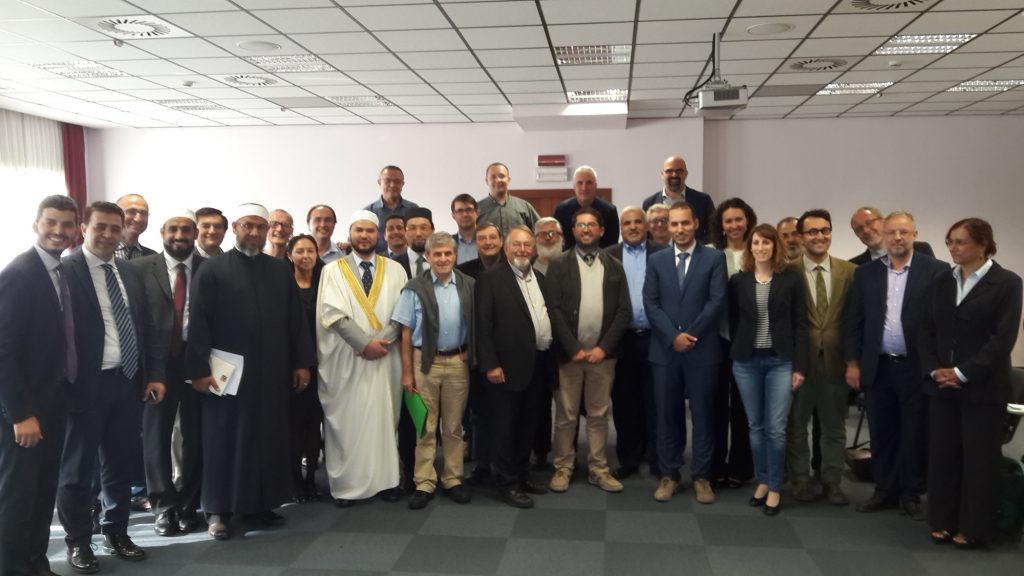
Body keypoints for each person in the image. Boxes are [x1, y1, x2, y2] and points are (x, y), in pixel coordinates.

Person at [185, 203, 314, 540]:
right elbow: (198, 323)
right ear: (235, 229)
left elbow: (295, 321)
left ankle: (261, 504)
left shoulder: (279, 270)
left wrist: (301, 362)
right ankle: (218, 510)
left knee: (267, 436)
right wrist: (198, 370)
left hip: (272, 372)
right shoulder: (212, 270)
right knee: (223, 439)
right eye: (248, 226)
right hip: (226, 376)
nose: (254, 233)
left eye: (260, 227)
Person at [58, 201, 165, 572]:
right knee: (77, 472)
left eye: (114, 228)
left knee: (119, 465)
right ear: (83, 228)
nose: (107, 234)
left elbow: (147, 325)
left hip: (128, 380)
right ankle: (78, 541)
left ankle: (116, 531)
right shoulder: (65, 270)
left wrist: (154, 374)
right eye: (100, 226)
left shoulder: (130, 271)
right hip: (84, 386)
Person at [920, 218, 1022, 548]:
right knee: (943, 456)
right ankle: (943, 520)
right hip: (942, 384)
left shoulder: (1006, 283)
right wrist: (935, 369)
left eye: (960, 241)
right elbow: (925, 330)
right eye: (950, 241)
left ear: (983, 244)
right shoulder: (941, 281)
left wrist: (963, 372)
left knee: (979, 460)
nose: (953, 248)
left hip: (983, 387)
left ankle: (974, 527)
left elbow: (1002, 339)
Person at [844, 212, 948, 521]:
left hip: (916, 367)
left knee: (914, 432)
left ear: (915, 233)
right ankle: (884, 490)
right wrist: (853, 362)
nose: (898, 238)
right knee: (882, 432)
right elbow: (854, 321)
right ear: (884, 235)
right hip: (878, 367)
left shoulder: (937, 271)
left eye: (904, 232)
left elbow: (943, 324)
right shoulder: (866, 274)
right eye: (892, 232)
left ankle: (911, 493)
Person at [0, 195, 78, 576]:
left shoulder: (59, 271)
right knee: (18, 497)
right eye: (51, 222)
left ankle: (35, 564)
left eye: (66, 224)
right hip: (25, 412)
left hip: (52, 402)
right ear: (36, 224)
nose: (58, 231)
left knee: (42, 492)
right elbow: (3, 350)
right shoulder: (20, 273)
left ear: (76, 229)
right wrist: (21, 413)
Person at [316, 210, 408, 507]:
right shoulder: (332, 270)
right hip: (347, 357)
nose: (364, 235)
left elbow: (403, 312)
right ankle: (347, 485)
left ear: (377, 234)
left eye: (370, 230)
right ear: (350, 233)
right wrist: (364, 344)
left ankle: (387, 481)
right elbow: (332, 313)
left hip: (385, 356)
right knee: (349, 421)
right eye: (359, 230)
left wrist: (383, 342)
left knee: (384, 418)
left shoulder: (396, 269)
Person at [643, 202, 727, 504]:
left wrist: (689, 335)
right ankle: (669, 474)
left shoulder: (714, 258)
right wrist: (673, 336)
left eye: (684, 223)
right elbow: (650, 302)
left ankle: (702, 476)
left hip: (702, 350)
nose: (679, 229)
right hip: (665, 352)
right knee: (668, 415)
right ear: (668, 226)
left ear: (696, 224)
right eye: (674, 224)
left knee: (703, 415)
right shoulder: (657, 260)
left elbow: (716, 301)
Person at [545, 207, 631, 493]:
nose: (586, 229)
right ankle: (563, 467)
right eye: (580, 225)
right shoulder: (559, 264)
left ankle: (598, 468)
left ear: (601, 230)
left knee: (598, 414)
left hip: (601, 358)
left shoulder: (614, 266)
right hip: (569, 356)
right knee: (566, 416)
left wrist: (603, 349)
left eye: (591, 225)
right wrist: (573, 348)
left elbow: (624, 311)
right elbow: (553, 309)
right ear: (573, 231)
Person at [728, 224, 808, 516]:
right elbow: (733, 320)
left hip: (780, 362)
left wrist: (799, 366)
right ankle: (762, 480)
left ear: (776, 246)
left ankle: (774, 486)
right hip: (746, 362)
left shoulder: (791, 279)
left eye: (766, 242)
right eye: (756, 243)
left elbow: (800, 324)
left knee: (775, 428)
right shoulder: (739, 281)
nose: (760, 247)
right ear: (749, 247)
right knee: (755, 427)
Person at [134, 210, 205, 537]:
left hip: (196, 364)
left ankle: (189, 506)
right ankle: (164, 507)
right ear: (162, 231)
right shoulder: (139, 268)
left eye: (186, 229)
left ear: (195, 234)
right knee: (156, 437)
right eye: (173, 229)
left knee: (195, 436)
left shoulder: (208, 269)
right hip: (155, 366)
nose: (180, 235)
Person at [393, 232, 474, 510]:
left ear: (455, 256)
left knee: (453, 426)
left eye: (447, 253)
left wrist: (469, 351)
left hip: (457, 363)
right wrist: (407, 372)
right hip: (423, 362)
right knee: (425, 426)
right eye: (437, 254)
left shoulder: (468, 285)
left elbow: (476, 322)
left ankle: (453, 478)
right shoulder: (413, 288)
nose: (442, 258)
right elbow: (405, 332)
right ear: (427, 257)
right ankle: (424, 481)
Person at [475, 226, 554, 508]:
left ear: (534, 250)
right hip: (505, 368)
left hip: (537, 363)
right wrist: (491, 364)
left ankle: (522, 474)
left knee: (527, 425)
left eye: (526, 245)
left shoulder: (539, 278)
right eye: (516, 245)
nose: (522, 250)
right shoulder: (490, 279)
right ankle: (506, 482)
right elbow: (483, 325)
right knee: (505, 427)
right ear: (506, 248)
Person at [785, 209, 856, 505]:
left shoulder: (850, 272)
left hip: (837, 362)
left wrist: (854, 361)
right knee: (796, 425)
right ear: (801, 237)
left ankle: (832, 481)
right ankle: (800, 479)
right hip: (798, 363)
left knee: (834, 427)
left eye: (825, 230)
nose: (820, 236)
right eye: (812, 231)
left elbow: (857, 320)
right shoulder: (787, 271)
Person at [605, 206, 667, 480]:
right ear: (621, 227)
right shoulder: (608, 255)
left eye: (637, 222)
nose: (632, 227)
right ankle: (628, 458)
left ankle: (656, 458)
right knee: (624, 401)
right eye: (627, 223)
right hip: (622, 339)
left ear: (647, 225)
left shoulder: (663, 254)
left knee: (656, 400)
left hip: (656, 337)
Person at [708, 198, 757, 489]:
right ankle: (715, 465)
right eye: (729, 221)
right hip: (716, 340)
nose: (734, 225)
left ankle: (741, 466)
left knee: (743, 407)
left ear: (748, 221)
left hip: (749, 343)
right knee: (715, 406)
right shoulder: (711, 254)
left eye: (739, 219)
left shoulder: (758, 252)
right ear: (721, 225)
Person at [458, 222, 504, 484]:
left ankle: (505, 466)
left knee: (504, 413)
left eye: (492, 237)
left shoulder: (511, 269)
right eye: (482, 238)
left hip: (505, 354)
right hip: (474, 353)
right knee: (479, 413)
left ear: (501, 240)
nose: (488, 242)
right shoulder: (464, 272)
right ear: (476, 243)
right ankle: (483, 464)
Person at [285, 234, 325, 503]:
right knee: (294, 426)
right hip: (293, 364)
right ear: (290, 255)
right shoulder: (283, 284)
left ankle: (311, 478)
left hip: (324, 363)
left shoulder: (325, 282)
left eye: (310, 251)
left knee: (315, 423)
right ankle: (295, 481)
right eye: (299, 251)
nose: (306, 256)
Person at [641, 156, 715, 244]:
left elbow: (713, 232)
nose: (674, 175)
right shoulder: (649, 203)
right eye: (669, 171)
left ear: (686, 174)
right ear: (662, 174)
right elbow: (645, 235)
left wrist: (691, 247)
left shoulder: (703, 200)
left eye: (679, 171)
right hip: (659, 252)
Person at [552, 166, 619, 249]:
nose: (584, 188)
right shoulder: (562, 210)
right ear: (574, 186)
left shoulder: (609, 211)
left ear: (595, 186)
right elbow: (558, 241)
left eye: (589, 183)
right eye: (580, 183)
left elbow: (612, 246)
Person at [848, 206, 934, 265]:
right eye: (859, 228)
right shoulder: (854, 265)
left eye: (869, 223)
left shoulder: (921, 249)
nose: (866, 230)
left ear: (884, 221)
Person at [476, 162, 540, 236]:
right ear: (487, 181)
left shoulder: (524, 207)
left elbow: (540, 231)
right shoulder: (477, 209)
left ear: (508, 180)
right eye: (493, 177)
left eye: (501, 176)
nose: (498, 180)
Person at [366, 165, 419, 252]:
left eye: (397, 181)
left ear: (402, 184)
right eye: (387, 181)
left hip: (409, 259)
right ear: (379, 183)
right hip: (377, 259)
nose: (392, 185)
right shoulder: (368, 212)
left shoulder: (414, 210)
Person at [394, 208, 434, 279]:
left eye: (423, 228)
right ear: (404, 232)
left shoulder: (445, 261)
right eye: (412, 228)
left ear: (432, 231)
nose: (418, 233)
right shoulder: (394, 264)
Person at [114, 194, 156, 260]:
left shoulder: (153, 257)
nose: (138, 219)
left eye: (144, 213)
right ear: (116, 215)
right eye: (131, 212)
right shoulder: (99, 253)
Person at [450, 194, 479, 264]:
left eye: (469, 209)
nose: (465, 214)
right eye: (460, 211)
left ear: (477, 213)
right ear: (453, 216)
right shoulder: (448, 243)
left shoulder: (489, 240)